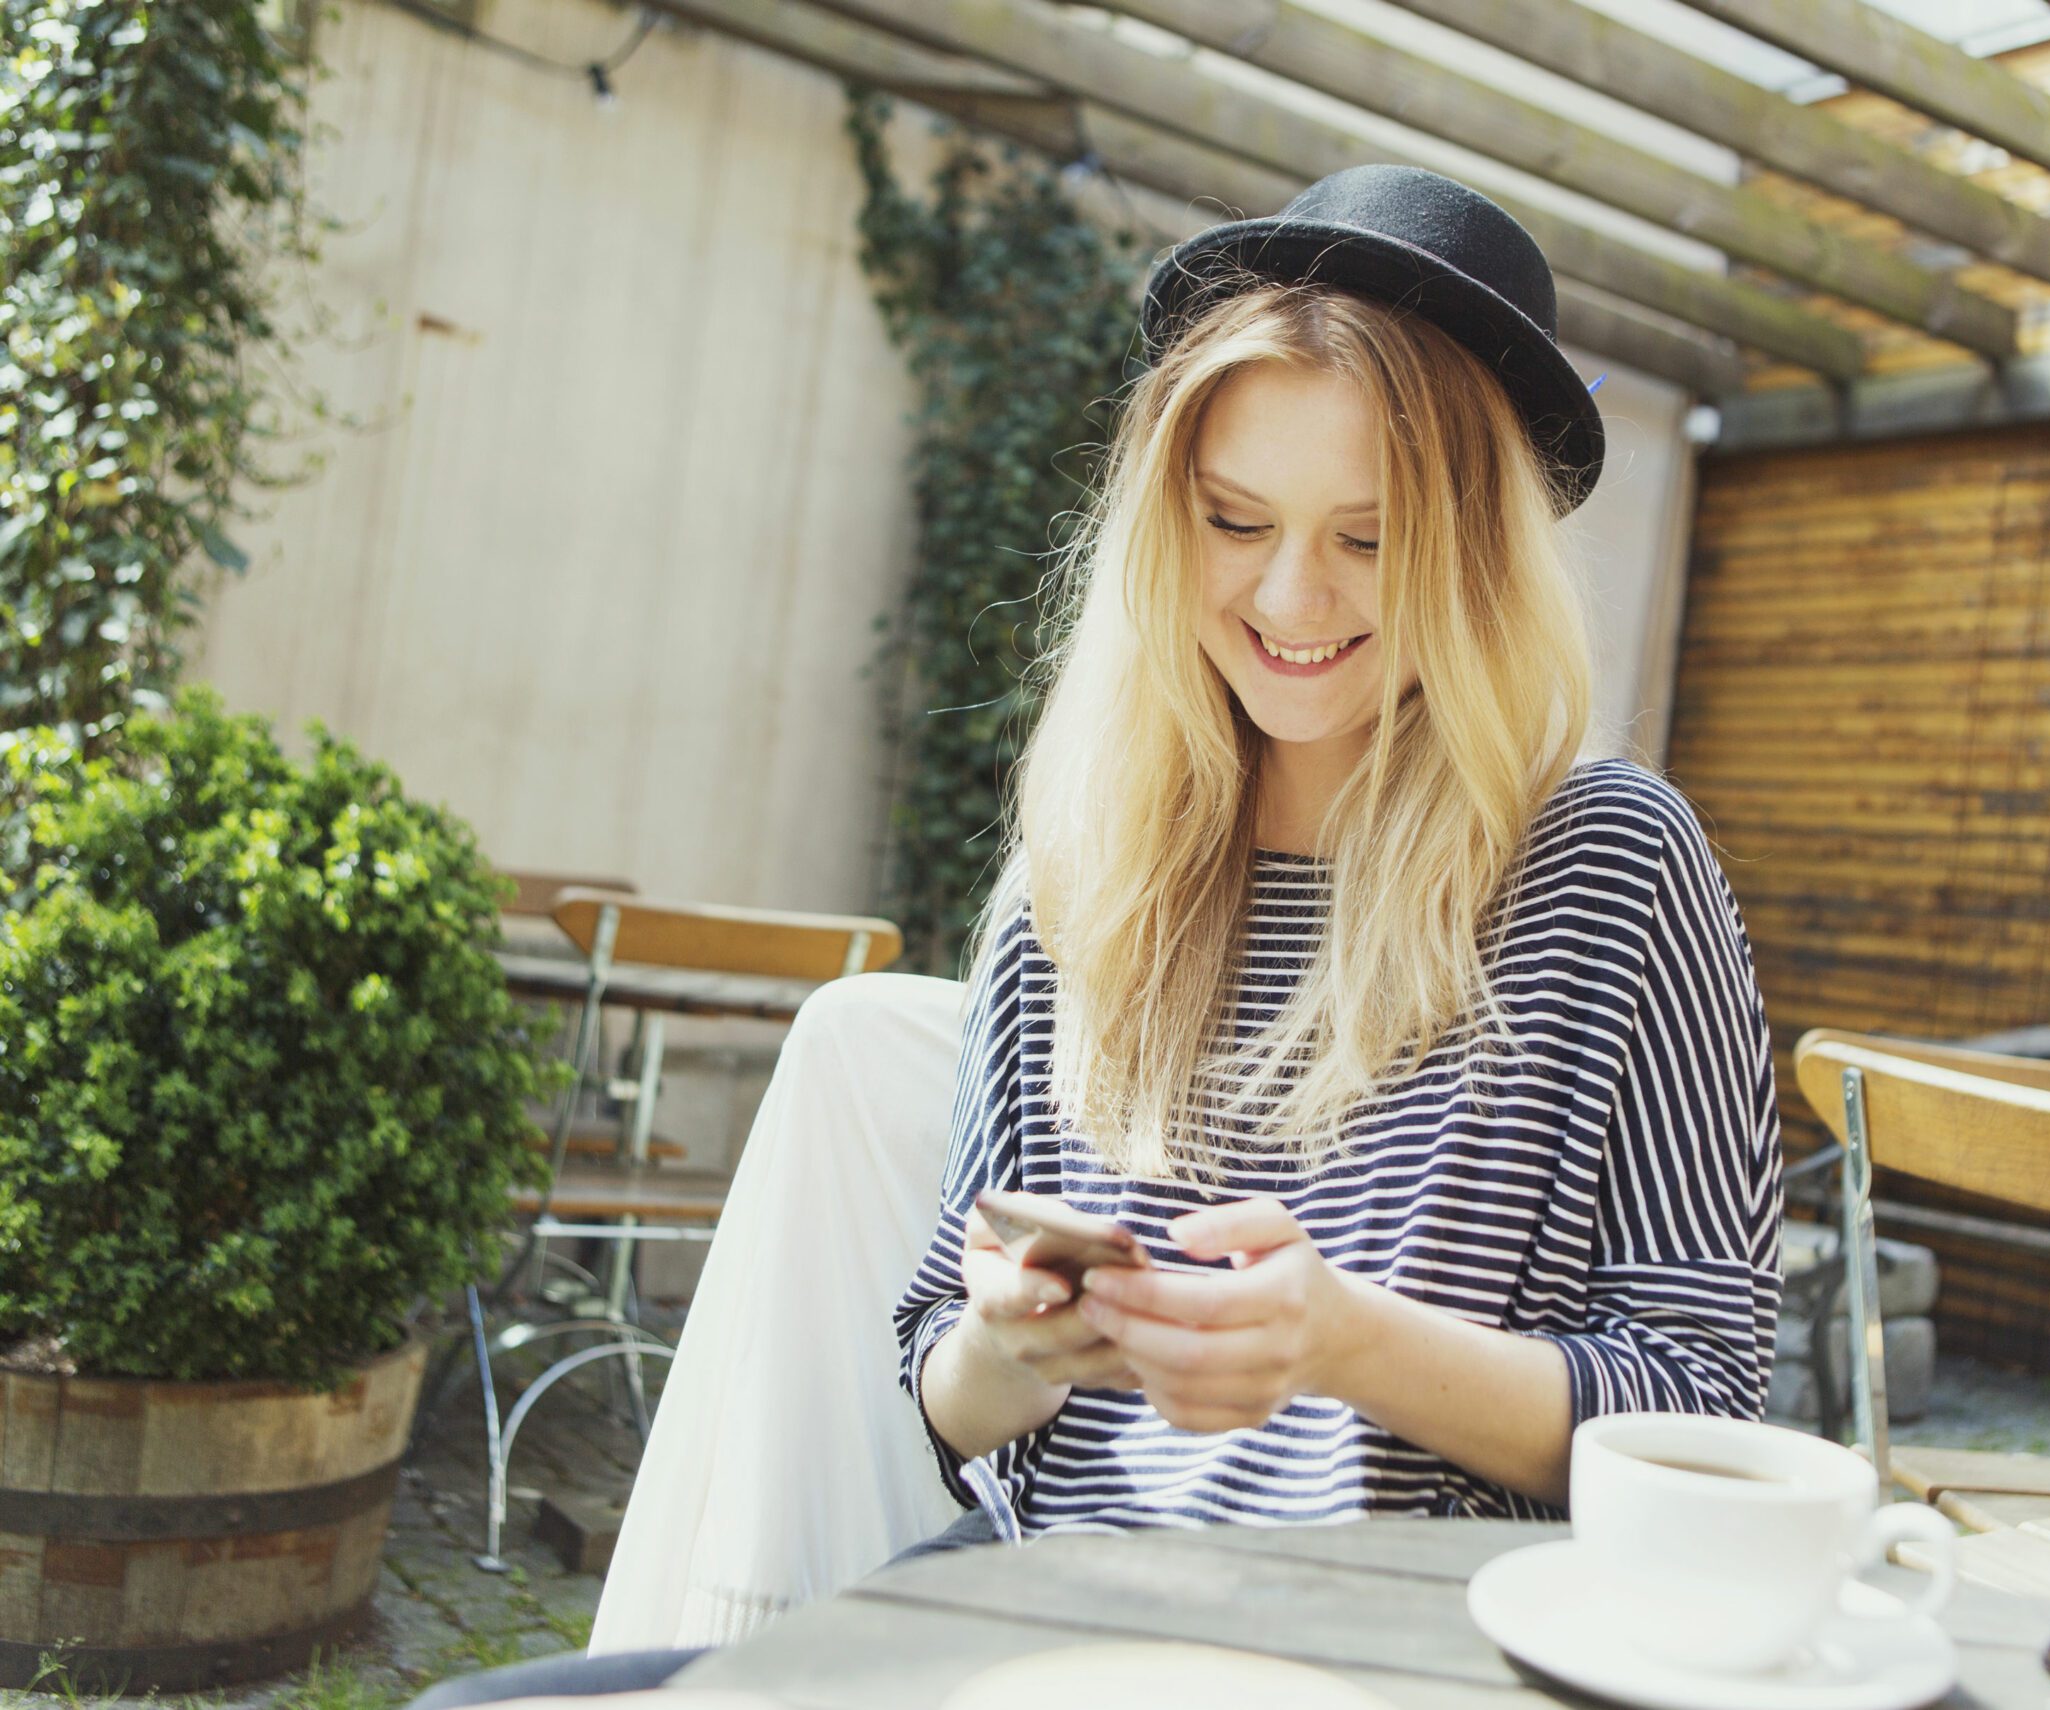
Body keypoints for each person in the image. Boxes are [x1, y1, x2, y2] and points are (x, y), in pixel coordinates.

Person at [403, 160, 1781, 1710]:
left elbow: (1706, 1403)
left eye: (1369, 539)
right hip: (1035, 1613)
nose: (1287, 593)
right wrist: (1019, 1340)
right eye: (1235, 519)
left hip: (1381, 1647)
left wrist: (1341, 1343)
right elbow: (943, 1382)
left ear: (1476, 551)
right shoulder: (1093, 852)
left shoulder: (1606, 865)